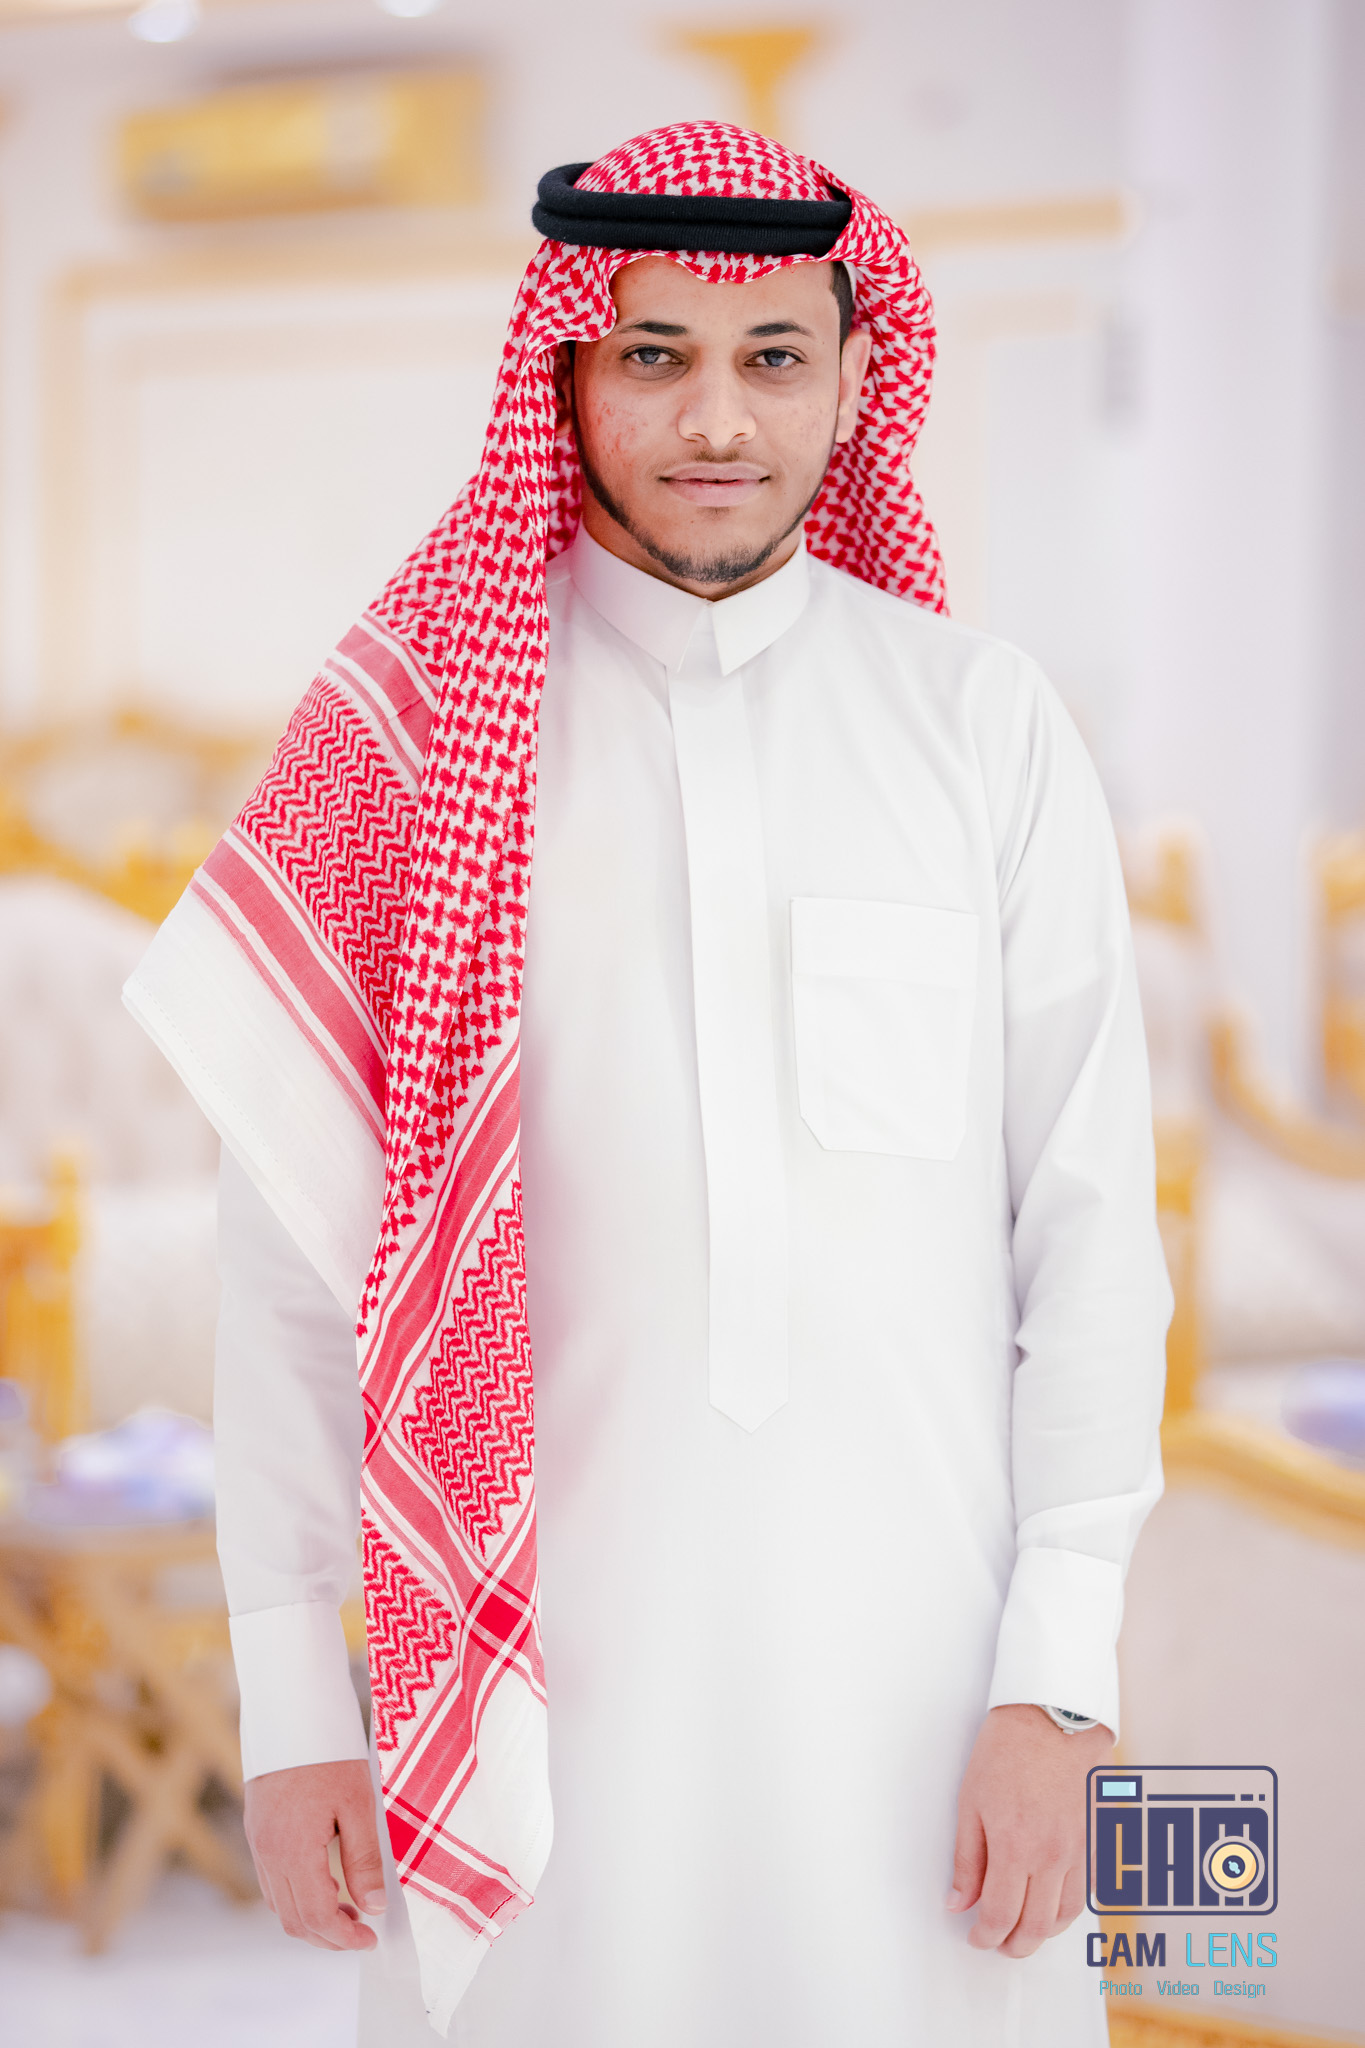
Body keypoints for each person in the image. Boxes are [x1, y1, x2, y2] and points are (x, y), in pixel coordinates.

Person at [126, 122, 1170, 2046]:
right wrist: (289, 1704)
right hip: (535, 1714)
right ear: (566, 370)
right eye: (654, 353)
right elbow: (288, 1274)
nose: (715, 417)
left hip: (931, 1706)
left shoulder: (979, 724)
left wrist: (1059, 1681)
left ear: (853, 377)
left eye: (772, 357)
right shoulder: (408, 749)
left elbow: (1094, 1243)